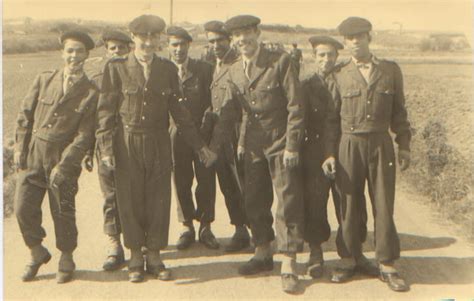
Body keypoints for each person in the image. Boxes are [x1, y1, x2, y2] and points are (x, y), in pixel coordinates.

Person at [95, 14, 217, 283]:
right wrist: (105, 149)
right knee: (131, 199)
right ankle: (136, 256)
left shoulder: (167, 70)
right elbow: (105, 113)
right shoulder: (116, 69)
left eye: (153, 37)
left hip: (159, 141)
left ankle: (154, 255)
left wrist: (199, 146)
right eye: (143, 37)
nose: (148, 43)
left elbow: (180, 112)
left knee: (158, 199)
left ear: (159, 39)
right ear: (134, 38)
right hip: (128, 142)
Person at [323, 17, 412, 292]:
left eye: (360, 36)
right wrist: (328, 153)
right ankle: (349, 258)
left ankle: (386, 263)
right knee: (348, 202)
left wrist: (404, 144)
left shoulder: (389, 71)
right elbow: (330, 119)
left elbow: (399, 112)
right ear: (345, 43)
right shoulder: (338, 74)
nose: (355, 42)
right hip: (348, 144)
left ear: (369, 38)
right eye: (350, 38)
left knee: (383, 203)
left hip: (380, 143)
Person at [224, 15, 305, 294]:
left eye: (247, 33)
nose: (242, 40)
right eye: (237, 35)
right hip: (254, 146)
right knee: (254, 198)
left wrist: (292, 145)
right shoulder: (234, 69)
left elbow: (296, 107)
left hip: (281, 142)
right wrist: (242, 142)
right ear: (232, 40)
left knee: (287, 201)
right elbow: (245, 112)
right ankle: (262, 252)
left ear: (257, 33)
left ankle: (289, 261)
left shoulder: (280, 62)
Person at [14, 31, 98, 283]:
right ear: (62, 53)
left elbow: (84, 135)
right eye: (70, 51)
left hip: (64, 159)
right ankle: (36, 251)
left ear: (86, 55)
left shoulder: (91, 92)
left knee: (63, 211)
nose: (74, 56)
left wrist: (65, 165)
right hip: (34, 156)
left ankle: (66, 256)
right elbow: (25, 115)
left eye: (79, 51)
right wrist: (20, 147)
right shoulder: (44, 79)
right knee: (22, 207)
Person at [301, 35, 374, 280]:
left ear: (337, 57)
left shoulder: (345, 79)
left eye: (330, 55)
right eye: (321, 55)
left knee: (349, 200)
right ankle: (315, 252)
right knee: (314, 201)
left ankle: (353, 252)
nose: (326, 59)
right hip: (313, 151)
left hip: (342, 149)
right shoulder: (305, 83)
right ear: (314, 57)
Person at [82, 29, 132, 272]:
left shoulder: (137, 75)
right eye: (112, 48)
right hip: (106, 146)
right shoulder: (96, 79)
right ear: (106, 51)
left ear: (130, 50)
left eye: (122, 48)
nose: (117, 53)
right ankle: (114, 244)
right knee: (110, 196)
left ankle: (136, 244)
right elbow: (92, 118)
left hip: (132, 145)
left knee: (134, 195)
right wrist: (89, 150)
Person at [166, 26, 219, 250]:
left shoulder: (204, 69)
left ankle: (206, 226)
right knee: (181, 180)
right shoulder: (164, 71)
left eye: (182, 45)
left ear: (189, 45)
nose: (178, 49)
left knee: (206, 179)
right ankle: (186, 226)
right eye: (174, 45)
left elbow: (212, 101)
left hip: (202, 134)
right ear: (168, 47)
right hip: (175, 136)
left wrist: (204, 130)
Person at [203, 20, 250, 252]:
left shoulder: (237, 64)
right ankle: (240, 228)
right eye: (211, 41)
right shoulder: (211, 63)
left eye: (220, 40)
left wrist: (241, 139)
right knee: (228, 183)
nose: (215, 45)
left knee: (244, 182)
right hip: (219, 132)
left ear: (229, 40)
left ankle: (255, 232)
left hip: (237, 131)